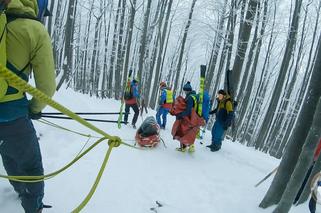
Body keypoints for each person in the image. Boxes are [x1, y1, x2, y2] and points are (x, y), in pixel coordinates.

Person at [0, 0, 56, 212]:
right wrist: (34, 109)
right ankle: (32, 205)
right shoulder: (34, 29)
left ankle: (17, 188)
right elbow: (47, 88)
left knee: (7, 151)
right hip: (12, 115)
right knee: (30, 165)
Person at [171, 82, 204, 153]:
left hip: (189, 118)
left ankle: (184, 148)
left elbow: (188, 110)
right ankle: (190, 147)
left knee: (183, 132)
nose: (185, 92)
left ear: (187, 90)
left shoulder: (190, 98)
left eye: (185, 90)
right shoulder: (195, 96)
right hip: (195, 118)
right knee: (190, 133)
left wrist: (181, 115)